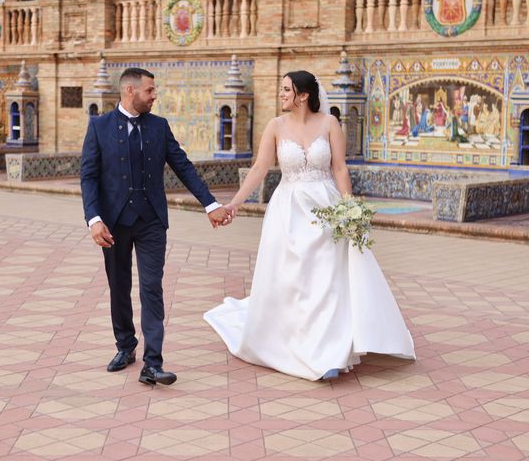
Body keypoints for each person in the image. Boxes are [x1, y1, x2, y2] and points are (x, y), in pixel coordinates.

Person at [204, 70, 416, 381]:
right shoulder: (275, 127)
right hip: (288, 209)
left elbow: (340, 167)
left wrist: (349, 207)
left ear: (304, 95)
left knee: (327, 278)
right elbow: (260, 168)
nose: (282, 94)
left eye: (287, 90)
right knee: (292, 275)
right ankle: (289, 338)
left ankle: (329, 351)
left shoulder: (330, 123)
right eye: (281, 89)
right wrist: (235, 203)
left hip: (326, 206)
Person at [80, 68, 231, 386]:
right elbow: (89, 176)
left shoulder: (159, 127)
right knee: (119, 287)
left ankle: (153, 363)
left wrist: (211, 203)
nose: (154, 95)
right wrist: (94, 219)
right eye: (150, 91)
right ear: (130, 91)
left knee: (152, 288)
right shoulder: (99, 127)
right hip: (113, 223)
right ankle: (125, 346)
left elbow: (183, 166)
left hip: (151, 222)